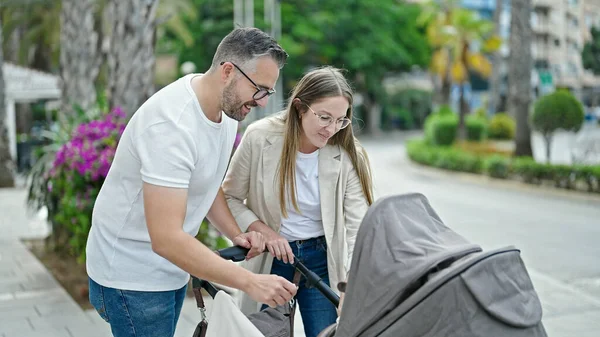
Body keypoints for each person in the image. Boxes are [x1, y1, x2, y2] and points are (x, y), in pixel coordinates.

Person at [85, 27, 297, 337]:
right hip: (130, 278)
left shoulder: (225, 113)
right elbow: (167, 238)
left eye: (268, 92)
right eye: (259, 89)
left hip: (168, 269)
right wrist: (251, 282)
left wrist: (236, 233)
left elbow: (207, 185)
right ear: (227, 71)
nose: (263, 102)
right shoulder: (171, 127)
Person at [222, 66, 374, 337]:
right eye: (325, 117)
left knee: (326, 333)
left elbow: (358, 223)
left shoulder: (348, 154)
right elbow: (229, 196)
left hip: (322, 262)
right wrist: (263, 231)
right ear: (299, 107)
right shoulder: (259, 138)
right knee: (261, 332)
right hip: (272, 260)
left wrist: (354, 275)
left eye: (341, 120)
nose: (331, 129)